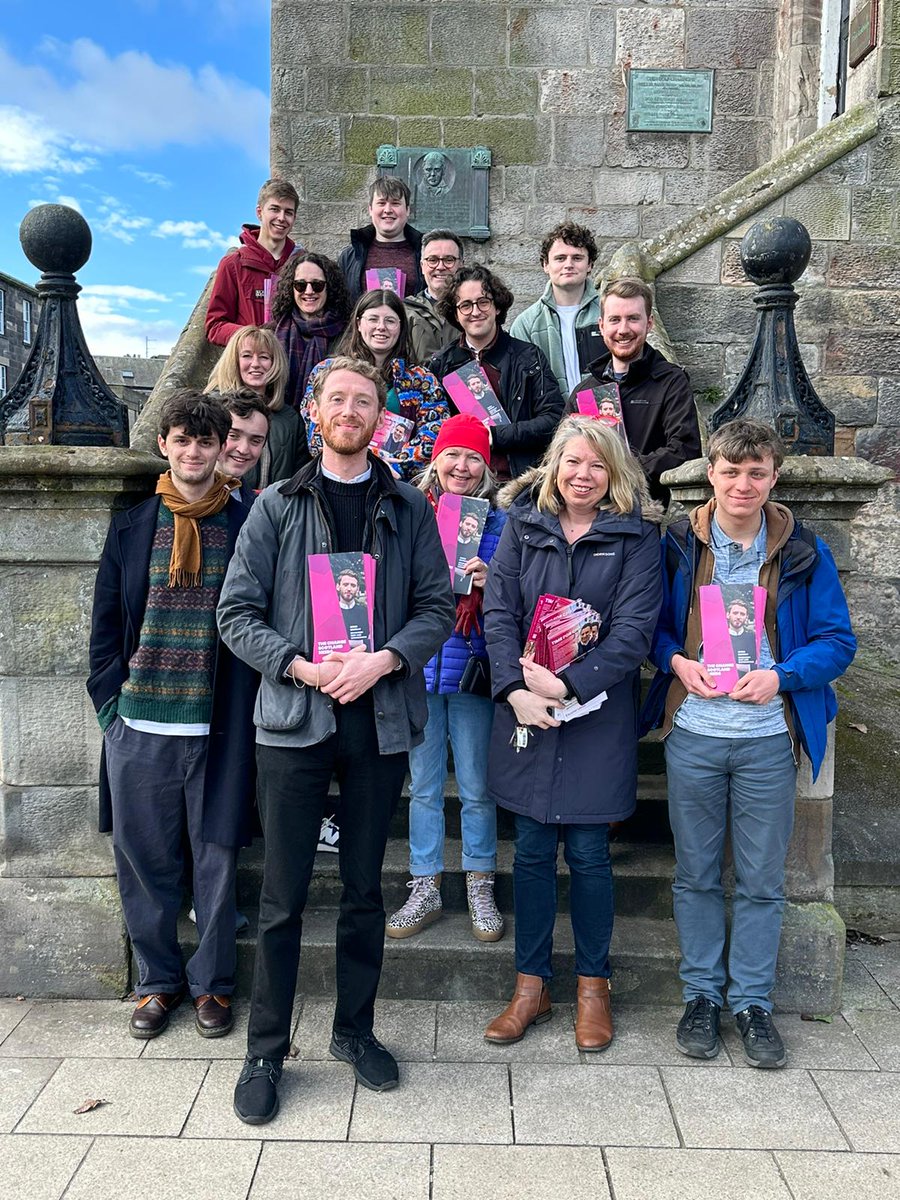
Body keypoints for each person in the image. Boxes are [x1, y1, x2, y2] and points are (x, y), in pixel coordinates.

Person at [217, 357, 455, 1124]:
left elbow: (436, 606)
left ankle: (354, 1031)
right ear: (315, 411)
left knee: (361, 892)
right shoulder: (276, 504)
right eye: (337, 399)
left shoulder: (408, 506)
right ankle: (265, 1049)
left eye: (364, 401)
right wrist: (301, 667)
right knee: (284, 896)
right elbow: (237, 613)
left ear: (380, 417)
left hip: (379, 720)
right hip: (294, 720)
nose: (350, 411)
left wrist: (385, 659)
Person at [641, 418, 856, 1068]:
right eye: (730, 471)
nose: (742, 483)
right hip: (696, 735)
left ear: (773, 478)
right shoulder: (679, 542)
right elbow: (649, 627)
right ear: (711, 473)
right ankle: (702, 997)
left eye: (756, 472)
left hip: (766, 738)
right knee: (696, 875)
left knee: (763, 882)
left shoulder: (801, 551)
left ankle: (753, 1004)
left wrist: (781, 676)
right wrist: (677, 664)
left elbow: (837, 641)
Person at [482, 415, 662, 1051]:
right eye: (572, 463)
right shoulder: (523, 528)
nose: (582, 476)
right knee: (530, 852)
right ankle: (530, 986)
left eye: (596, 466)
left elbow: (635, 631)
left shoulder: (637, 538)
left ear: (614, 473)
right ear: (553, 467)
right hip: (526, 713)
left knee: (587, 854)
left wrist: (569, 684)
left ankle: (593, 985)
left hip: (594, 716)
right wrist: (514, 690)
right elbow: (499, 612)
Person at [86, 391, 258, 1041]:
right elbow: (104, 629)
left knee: (215, 867)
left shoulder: (243, 525)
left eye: (205, 442)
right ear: (164, 445)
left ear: (221, 450)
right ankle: (158, 982)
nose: (193, 452)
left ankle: (212, 984)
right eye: (182, 440)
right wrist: (111, 710)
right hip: (140, 728)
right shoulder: (133, 525)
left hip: (214, 727)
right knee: (145, 864)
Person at [386, 414, 506, 942]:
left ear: (486, 466)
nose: (462, 466)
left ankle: (480, 881)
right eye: (453, 455)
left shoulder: (502, 523)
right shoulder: (410, 511)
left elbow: (521, 596)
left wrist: (493, 578)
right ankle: (426, 882)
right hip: (418, 668)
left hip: (473, 667)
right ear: (435, 459)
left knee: (478, 786)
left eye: (473, 457)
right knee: (424, 786)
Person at [568, 278, 701, 505]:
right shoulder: (585, 391)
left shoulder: (670, 382)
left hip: (643, 511)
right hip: (586, 511)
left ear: (649, 324)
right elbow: (563, 454)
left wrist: (624, 470)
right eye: (615, 320)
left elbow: (684, 449)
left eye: (633, 319)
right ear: (601, 326)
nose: (623, 329)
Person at [430, 264, 564, 481]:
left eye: (483, 302)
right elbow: (434, 427)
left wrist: (494, 435)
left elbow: (553, 420)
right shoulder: (441, 364)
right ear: (455, 313)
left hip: (517, 481)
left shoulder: (528, 357)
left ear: (497, 307)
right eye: (465, 305)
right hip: (461, 482)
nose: (475, 312)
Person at [304, 289, 449, 482]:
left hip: (399, 480)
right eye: (373, 319)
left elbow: (436, 429)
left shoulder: (422, 379)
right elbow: (315, 429)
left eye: (390, 321)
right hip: (339, 476)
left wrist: (397, 465)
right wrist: (363, 463)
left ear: (400, 327)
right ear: (358, 323)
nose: (381, 327)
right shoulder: (327, 373)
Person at [204, 325, 309, 489]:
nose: (255, 364)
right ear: (234, 361)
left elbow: (300, 474)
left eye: (264, 357)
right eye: (246, 356)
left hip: (272, 510)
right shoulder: (212, 409)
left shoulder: (290, 419)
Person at [510, 221, 601, 397]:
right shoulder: (526, 325)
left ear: (590, 265)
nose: (568, 264)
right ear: (546, 265)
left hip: (604, 419)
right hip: (553, 421)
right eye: (560, 258)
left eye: (577, 258)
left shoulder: (610, 314)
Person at [206, 179, 300, 346]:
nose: (281, 218)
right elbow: (215, 326)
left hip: (291, 364)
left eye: (288, 212)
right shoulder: (233, 264)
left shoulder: (302, 263)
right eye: (274, 209)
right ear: (259, 212)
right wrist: (253, 337)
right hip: (250, 365)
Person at [269, 250, 350, 408]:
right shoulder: (271, 333)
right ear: (291, 288)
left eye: (317, 285)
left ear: (330, 288)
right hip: (279, 420)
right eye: (300, 285)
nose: (308, 291)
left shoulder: (348, 334)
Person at [338, 177, 425, 305]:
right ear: (370, 209)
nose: (388, 210)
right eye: (381, 203)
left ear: (407, 210)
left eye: (395, 203)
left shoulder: (425, 254)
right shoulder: (349, 257)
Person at [405, 229, 464, 366]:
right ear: (422, 266)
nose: (440, 266)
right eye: (432, 260)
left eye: (449, 260)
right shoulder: (405, 311)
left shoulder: (474, 309)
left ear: (461, 264)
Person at [217, 392, 271, 498]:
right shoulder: (179, 500)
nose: (243, 449)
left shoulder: (259, 507)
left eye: (255, 441)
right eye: (233, 435)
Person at [336, 569, 370, 645]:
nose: (349, 589)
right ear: (338, 587)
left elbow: (370, 643)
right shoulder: (329, 613)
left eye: (353, 585)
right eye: (345, 584)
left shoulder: (366, 613)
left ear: (357, 589)